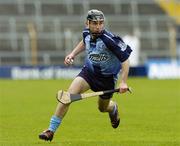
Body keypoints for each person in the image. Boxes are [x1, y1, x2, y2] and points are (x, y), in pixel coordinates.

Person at [39, 9, 132, 142]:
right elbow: (84, 42)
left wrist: (123, 82)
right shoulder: (86, 33)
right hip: (88, 74)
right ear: (87, 23)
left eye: (101, 23)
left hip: (107, 79)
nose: (98, 26)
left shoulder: (110, 40)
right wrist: (72, 54)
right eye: (95, 23)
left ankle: (113, 108)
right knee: (67, 97)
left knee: (102, 107)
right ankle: (50, 130)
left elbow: (125, 60)